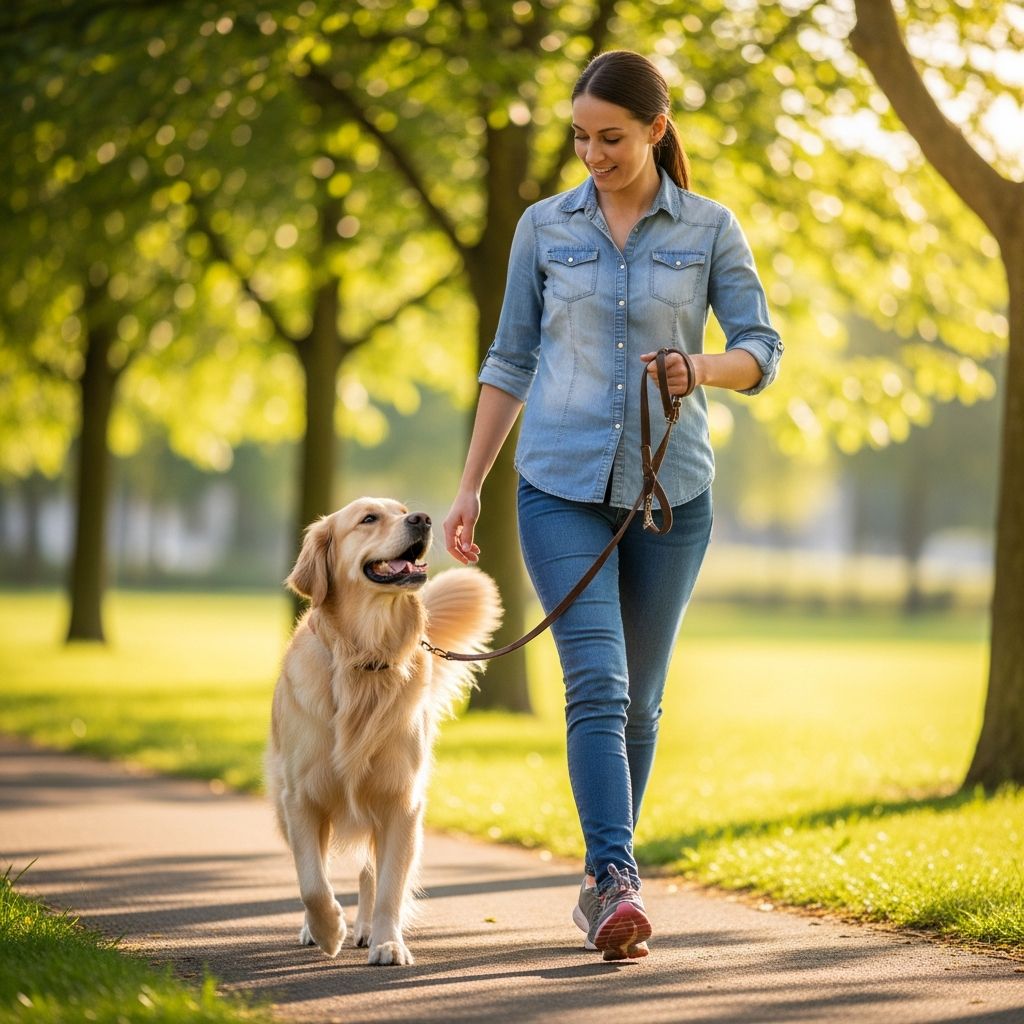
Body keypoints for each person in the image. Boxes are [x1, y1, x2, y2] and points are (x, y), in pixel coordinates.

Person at [442, 49, 783, 961]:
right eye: (580, 137)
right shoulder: (542, 229)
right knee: (596, 678)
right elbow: (510, 359)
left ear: (656, 130)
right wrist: (471, 484)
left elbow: (761, 348)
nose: (592, 154)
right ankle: (619, 879)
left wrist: (697, 366)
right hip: (557, 485)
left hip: (674, 496)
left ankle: (601, 882)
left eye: (612, 138)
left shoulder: (710, 228)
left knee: (640, 701)